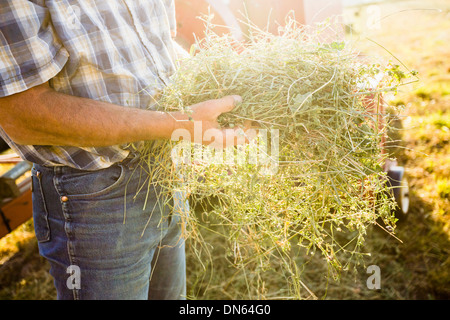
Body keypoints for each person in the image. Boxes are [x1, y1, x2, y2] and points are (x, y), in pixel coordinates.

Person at [0, 0, 243, 300]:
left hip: (163, 170)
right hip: (94, 196)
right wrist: (178, 123)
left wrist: (217, 82)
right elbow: (23, 115)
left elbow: (159, 47)